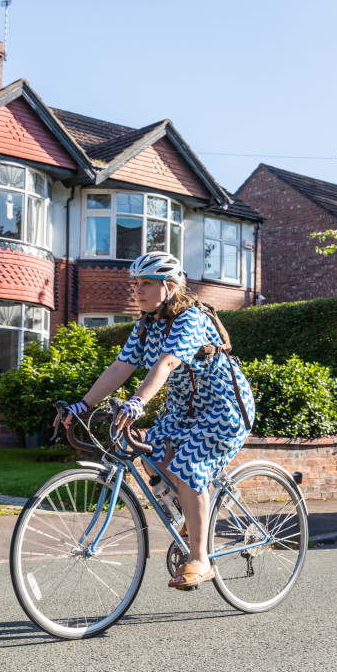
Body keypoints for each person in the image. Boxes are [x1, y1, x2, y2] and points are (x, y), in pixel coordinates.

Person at [57, 251, 255, 590]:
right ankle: (188, 517)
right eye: (136, 283)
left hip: (223, 412)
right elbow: (120, 367)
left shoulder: (191, 319)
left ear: (170, 286)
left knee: (191, 467)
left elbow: (166, 364)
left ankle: (199, 557)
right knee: (143, 447)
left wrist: (137, 402)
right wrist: (82, 405)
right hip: (181, 412)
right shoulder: (146, 326)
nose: (138, 290)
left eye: (147, 283)